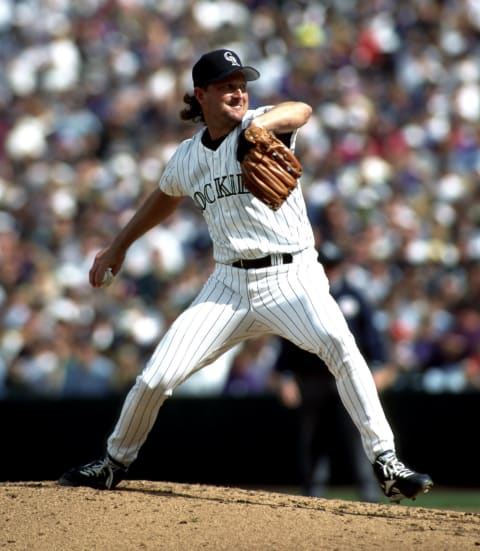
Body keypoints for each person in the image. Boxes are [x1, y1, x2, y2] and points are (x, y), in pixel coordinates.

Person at [58, 48, 433, 502]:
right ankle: (114, 464)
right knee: (156, 378)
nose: (238, 91)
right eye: (226, 85)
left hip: (292, 276)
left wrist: (261, 126)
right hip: (228, 286)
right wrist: (119, 244)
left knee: (340, 346)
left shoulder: (262, 123)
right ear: (201, 95)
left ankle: (386, 461)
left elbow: (302, 110)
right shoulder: (188, 157)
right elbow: (164, 196)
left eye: (242, 83)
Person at [272, 242, 398, 501]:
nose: (328, 271)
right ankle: (312, 496)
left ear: (339, 266)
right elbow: (287, 344)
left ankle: (369, 497)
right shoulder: (302, 296)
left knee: (359, 437)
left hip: (347, 378)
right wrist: (285, 377)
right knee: (312, 440)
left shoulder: (354, 297)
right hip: (311, 379)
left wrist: (378, 371)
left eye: (332, 266)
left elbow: (373, 341)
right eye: (324, 265)